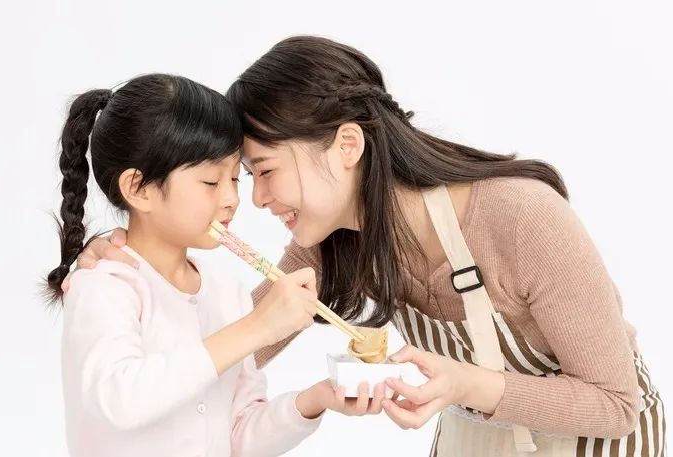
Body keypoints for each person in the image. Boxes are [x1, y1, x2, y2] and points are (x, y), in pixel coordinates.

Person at [72, 38, 666, 456]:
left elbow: (616, 405)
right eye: (239, 177)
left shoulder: (522, 217)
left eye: (264, 171)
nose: (255, 199)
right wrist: (135, 254)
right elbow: (230, 350)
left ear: (347, 146)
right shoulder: (327, 240)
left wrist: (464, 385)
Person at [48, 73, 384, 457]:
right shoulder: (103, 285)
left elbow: (238, 435)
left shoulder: (227, 292)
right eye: (211, 182)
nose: (231, 199)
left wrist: (315, 399)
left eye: (235, 179)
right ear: (139, 189)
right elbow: (120, 399)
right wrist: (255, 328)